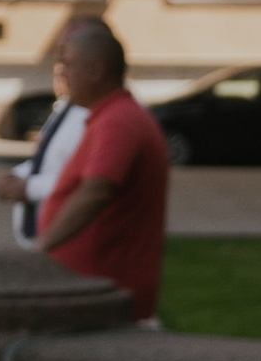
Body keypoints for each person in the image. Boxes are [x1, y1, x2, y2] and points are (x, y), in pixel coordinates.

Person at [28, 17, 172, 320]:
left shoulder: (118, 121)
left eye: (68, 65)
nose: (62, 73)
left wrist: (41, 249)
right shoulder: (109, 116)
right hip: (93, 291)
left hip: (105, 294)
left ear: (96, 71)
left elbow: (96, 191)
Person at [0, 48, 87, 246]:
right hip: (42, 230)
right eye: (57, 72)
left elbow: (83, 181)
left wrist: (29, 188)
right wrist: (15, 175)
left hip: (60, 235)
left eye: (67, 68)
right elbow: (44, 160)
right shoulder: (64, 107)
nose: (60, 77)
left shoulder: (87, 115)